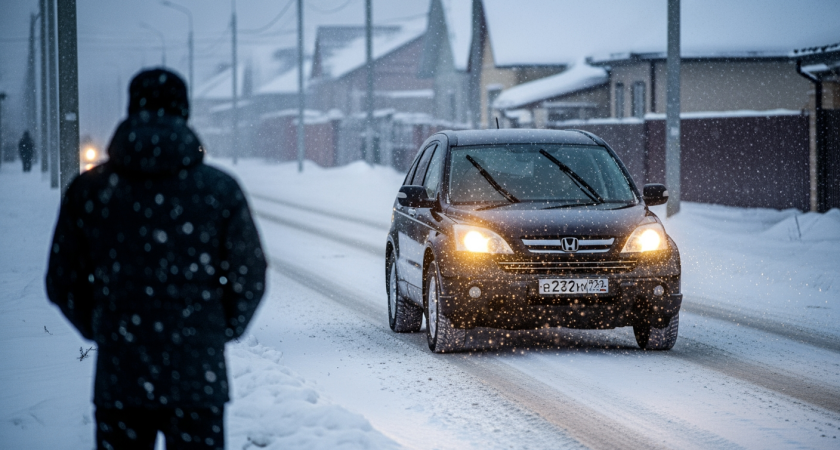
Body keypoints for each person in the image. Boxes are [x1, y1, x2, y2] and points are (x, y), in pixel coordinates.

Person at [45, 68, 267, 450]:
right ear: (184, 111)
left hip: (121, 377)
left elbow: (62, 280)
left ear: (131, 109)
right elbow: (250, 275)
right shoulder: (219, 189)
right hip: (198, 378)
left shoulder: (91, 190)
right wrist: (217, 329)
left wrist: (103, 327)